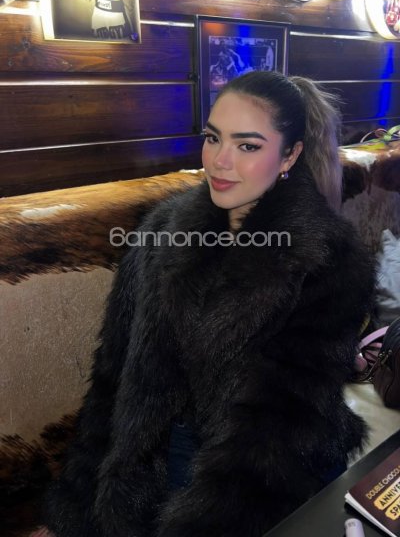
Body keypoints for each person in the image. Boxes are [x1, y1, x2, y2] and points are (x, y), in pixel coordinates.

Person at [42, 71, 375, 537]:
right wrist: (78, 504)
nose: (219, 161)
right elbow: (113, 377)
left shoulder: (328, 258)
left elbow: (285, 423)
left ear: (290, 155)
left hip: (267, 479)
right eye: (213, 137)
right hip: (154, 461)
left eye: (248, 145)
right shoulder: (162, 231)